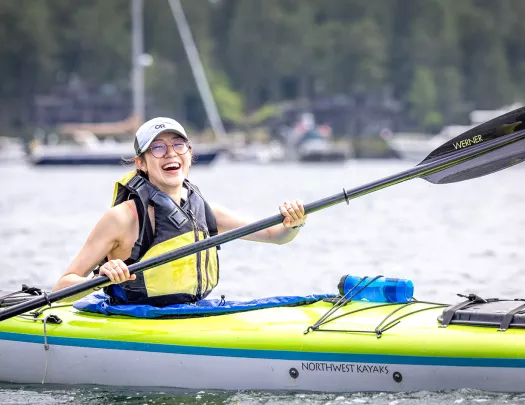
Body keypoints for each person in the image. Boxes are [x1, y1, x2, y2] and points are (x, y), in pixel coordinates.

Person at [53, 117, 307, 306]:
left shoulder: (205, 212)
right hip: (132, 319)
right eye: (158, 148)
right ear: (141, 163)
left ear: (189, 154)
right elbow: (62, 286)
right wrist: (103, 277)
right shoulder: (122, 218)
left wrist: (293, 223)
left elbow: (276, 236)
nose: (170, 153)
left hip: (191, 313)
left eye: (178, 145)